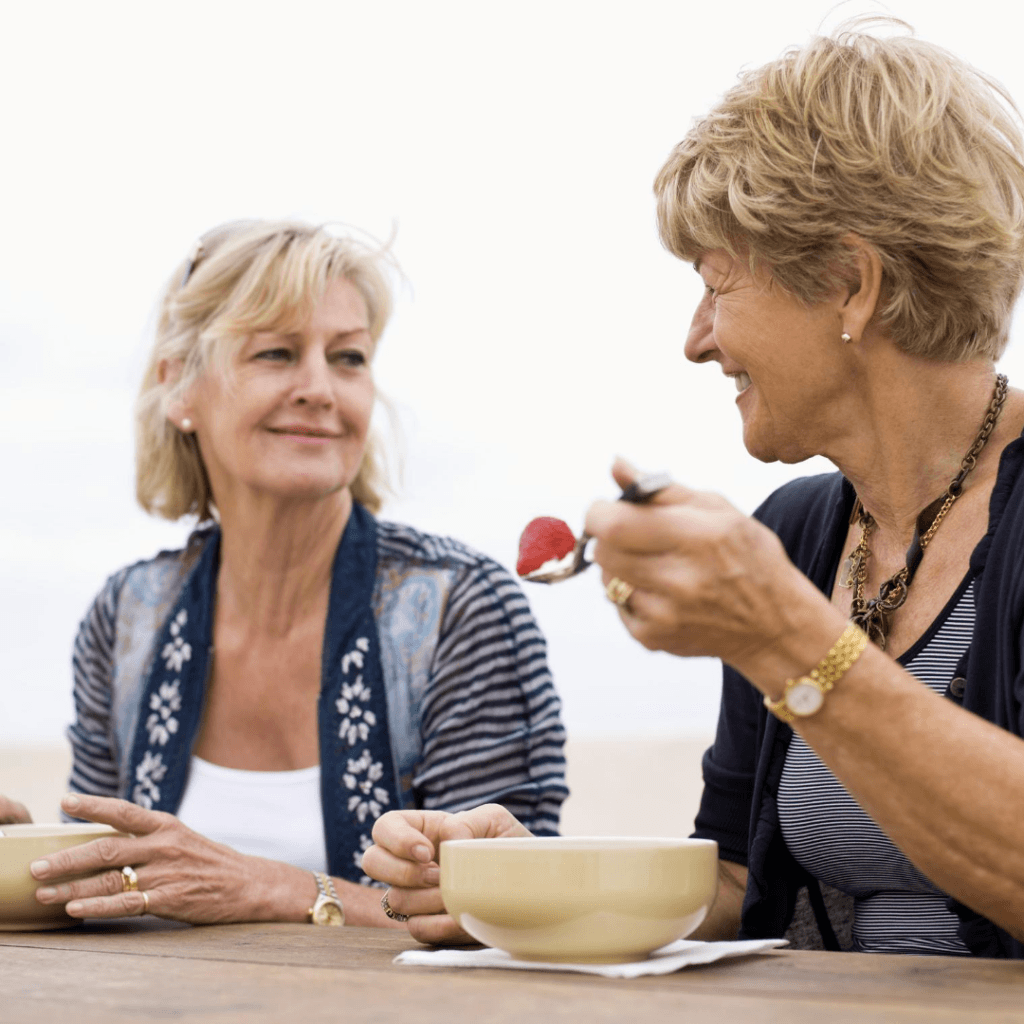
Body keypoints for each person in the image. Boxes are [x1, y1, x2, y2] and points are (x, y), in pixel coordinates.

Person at [362, 21, 1024, 957]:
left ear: (850, 283)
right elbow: (738, 884)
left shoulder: (781, 587)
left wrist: (785, 634)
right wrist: (524, 883)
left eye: (718, 285)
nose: (696, 339)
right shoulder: (797, 534)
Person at [7, 220, 567, 927]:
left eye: (349, 358)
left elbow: (515, 913)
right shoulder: (125, 618)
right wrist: (32, 861)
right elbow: (117, 893)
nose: (319, 388)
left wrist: (274, 888)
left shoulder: (457, 608)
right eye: (276, 352)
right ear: (179, 386)